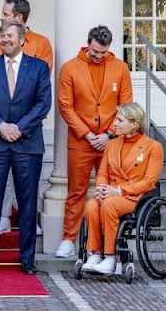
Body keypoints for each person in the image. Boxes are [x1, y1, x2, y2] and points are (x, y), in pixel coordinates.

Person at [0, 22, 51, 275]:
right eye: (2, 35)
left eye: (10, 36)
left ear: (22, 39)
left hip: (27, 144)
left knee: (27, 204)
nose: (5, 39)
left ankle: (27, 259)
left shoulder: (38, 67)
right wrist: (1, 126)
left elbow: (43, 103)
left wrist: (18, 127)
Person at [55, 25, 133, 259]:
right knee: (76, 191)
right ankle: (69, 239)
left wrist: (109, 134)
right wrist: (88, 135)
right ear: (88, 44)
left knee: (108, 192)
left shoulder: (120, 68)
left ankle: (107, 244)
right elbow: (65, 107)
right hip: (81, 141)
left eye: (103, 52)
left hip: (111, 141)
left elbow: (126, 104)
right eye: (95, 51)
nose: (99, 56)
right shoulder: (69, 68)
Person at [0, 0, 53, 235]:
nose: (1, 18)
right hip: (0, 123)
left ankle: (28, 218)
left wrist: (21, 126)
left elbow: (41, 87)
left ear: (19, 18)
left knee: (27, 181)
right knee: (1, 179)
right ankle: (3, 215)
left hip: (29, 126)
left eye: (5, 14)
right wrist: (3, 124)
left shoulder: (42, 43)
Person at [82, 103, 163, 274]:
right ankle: (95, 254)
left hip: (135, 197)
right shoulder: (112, 145)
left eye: (120, 120)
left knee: (109, 205)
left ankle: (111, 258)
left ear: (134, 123)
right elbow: (102, 173)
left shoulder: (153, 147)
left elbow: (149, 182)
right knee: (91, 205)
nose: (115, 124)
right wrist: (102, 189)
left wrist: (119, 191)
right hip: (111, 194)